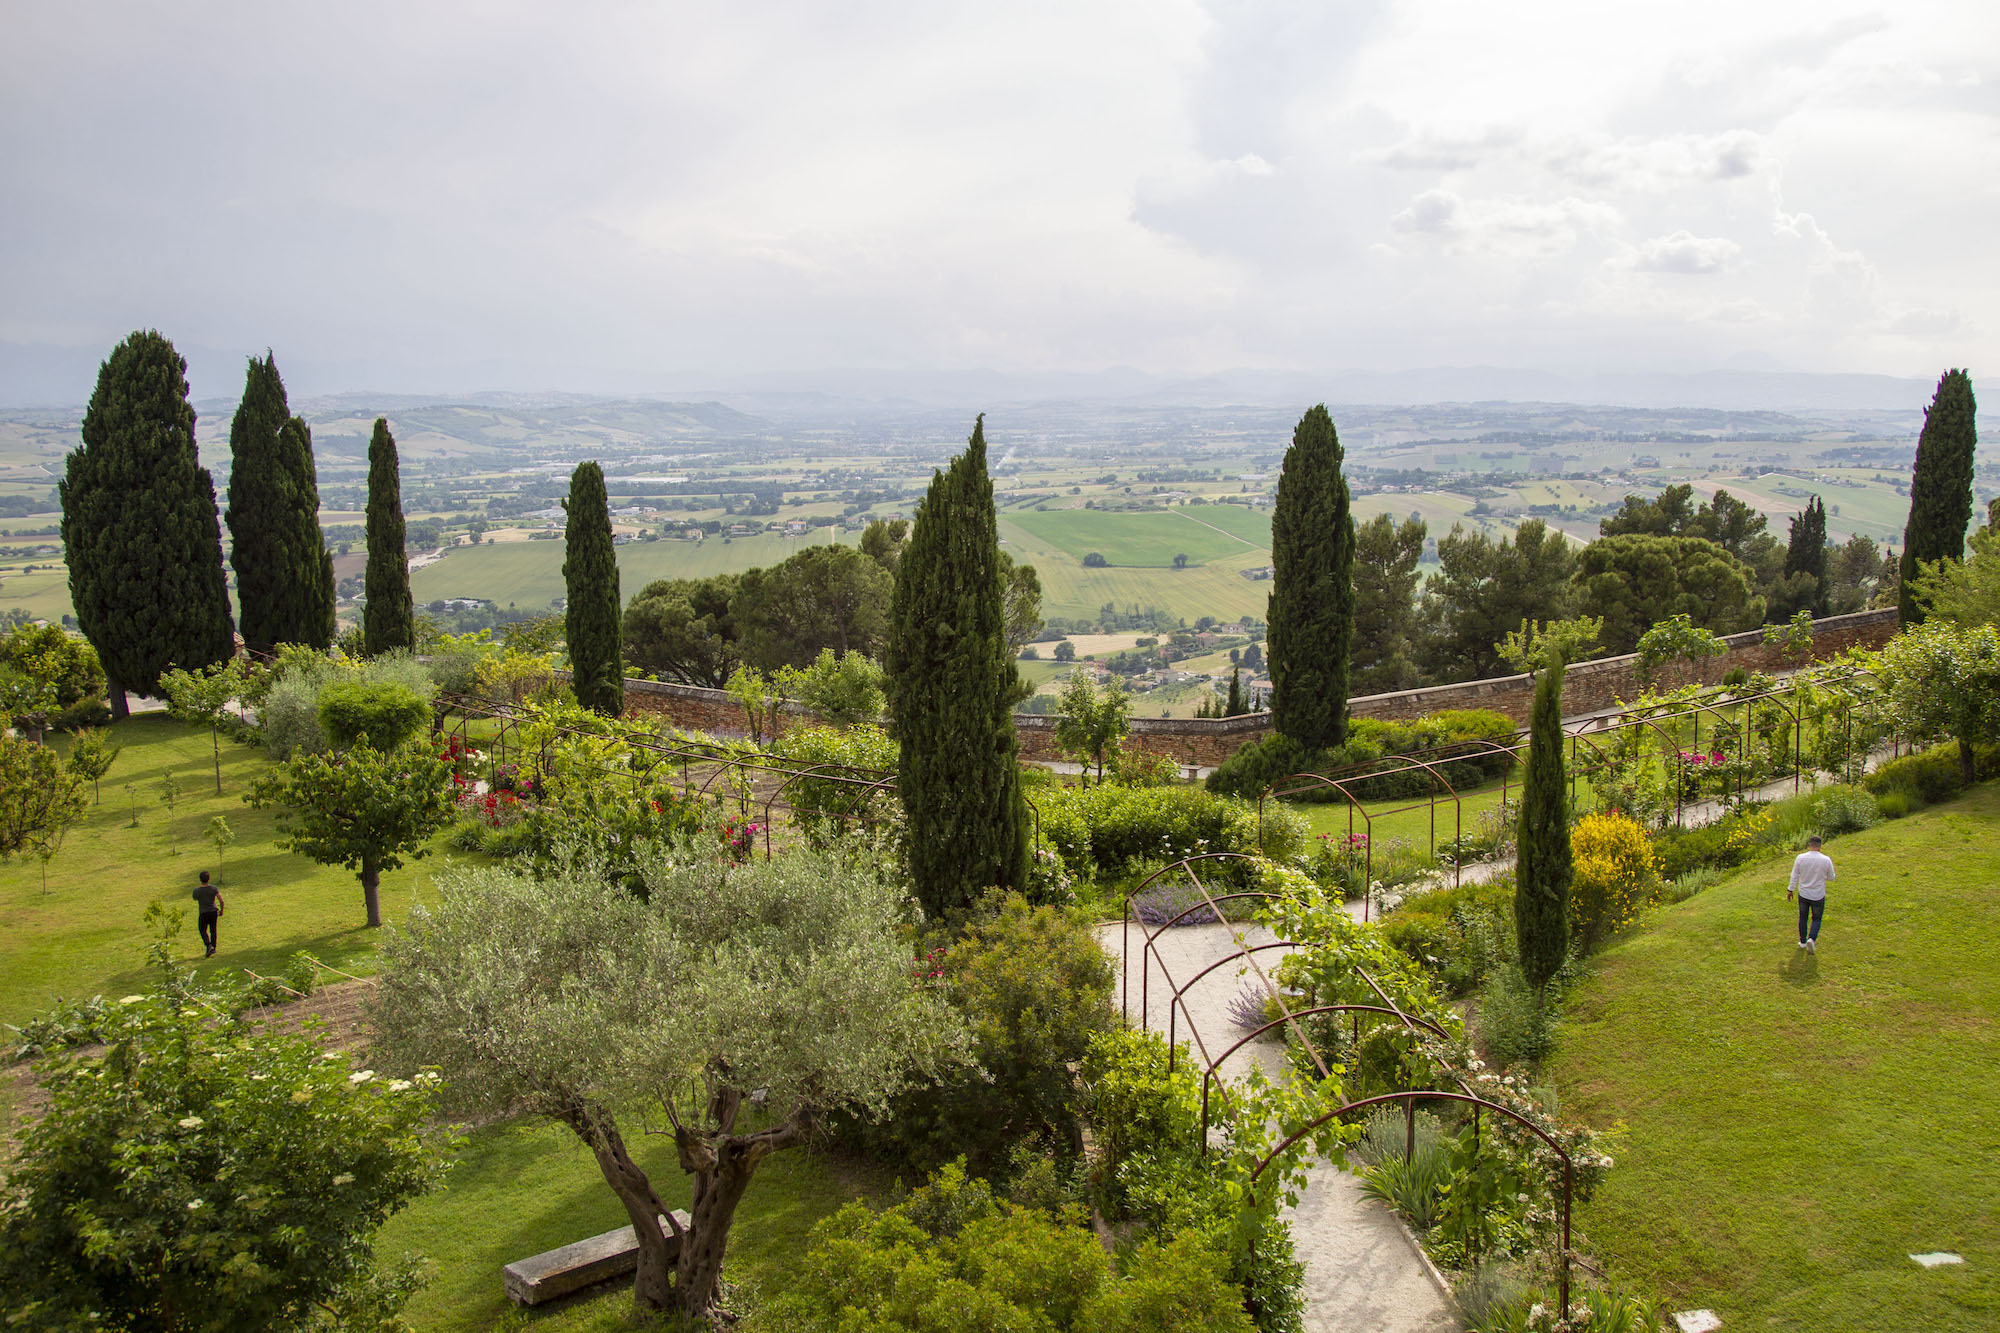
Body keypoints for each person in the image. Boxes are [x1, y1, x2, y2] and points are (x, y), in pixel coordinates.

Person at [1787, 835, 1834, 953]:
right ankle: (1812, 939)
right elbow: (1831, 877)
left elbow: (1794, 875)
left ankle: (1802, 941)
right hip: (1818, 894)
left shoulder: (1800, 858)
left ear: (1809, 845)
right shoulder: (1826, 859)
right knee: (1817, 918)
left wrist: (1790, 889)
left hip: (1804, 893)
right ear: (1820, 846)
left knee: (1803, 916)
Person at [192, 870, 225, 957]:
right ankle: (213, 947)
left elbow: (194, 898)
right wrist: (221, 910)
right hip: (213, 911)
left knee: (202, 930)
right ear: (209, 879)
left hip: (203, 912)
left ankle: (208, 945)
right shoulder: (213, 888)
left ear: (200, 879)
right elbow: (221, 900)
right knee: (213, 930)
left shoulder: (196, 891)